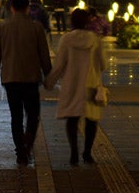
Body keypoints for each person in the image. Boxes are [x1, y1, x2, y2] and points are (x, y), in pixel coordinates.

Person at [0, 0, 53, 165]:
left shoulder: (2, 28)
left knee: (15, 116)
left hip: (10, 79)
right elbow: (44, 56)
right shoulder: (36, 27)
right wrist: (49, 76)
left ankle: (20, 152)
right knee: (33, 115)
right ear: (27, 7)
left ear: (11, 7)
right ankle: (28, 143)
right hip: (31, 79)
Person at [45, 8, 109, 166]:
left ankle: (74, 152)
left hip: (72, 84)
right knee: (91, 120)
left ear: (71, 21)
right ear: (87, 21)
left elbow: (59, 64)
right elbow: (104, 64)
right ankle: (87, 153)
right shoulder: (95, 39)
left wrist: (49, 82)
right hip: (91, 84)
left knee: (72, 120)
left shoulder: (66, 39)